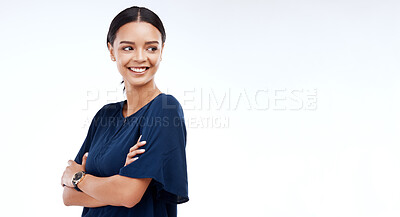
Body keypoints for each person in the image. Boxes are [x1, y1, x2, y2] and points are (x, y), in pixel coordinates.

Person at [61, 6, 189, 217]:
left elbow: (128, 195)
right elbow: (69, 197)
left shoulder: (165, 110)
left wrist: (80, 179)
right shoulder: (105, 116)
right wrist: (117, 184)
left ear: (162, 51)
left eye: (151, 48)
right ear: (112, 51)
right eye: (128, 48)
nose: (140, 57)